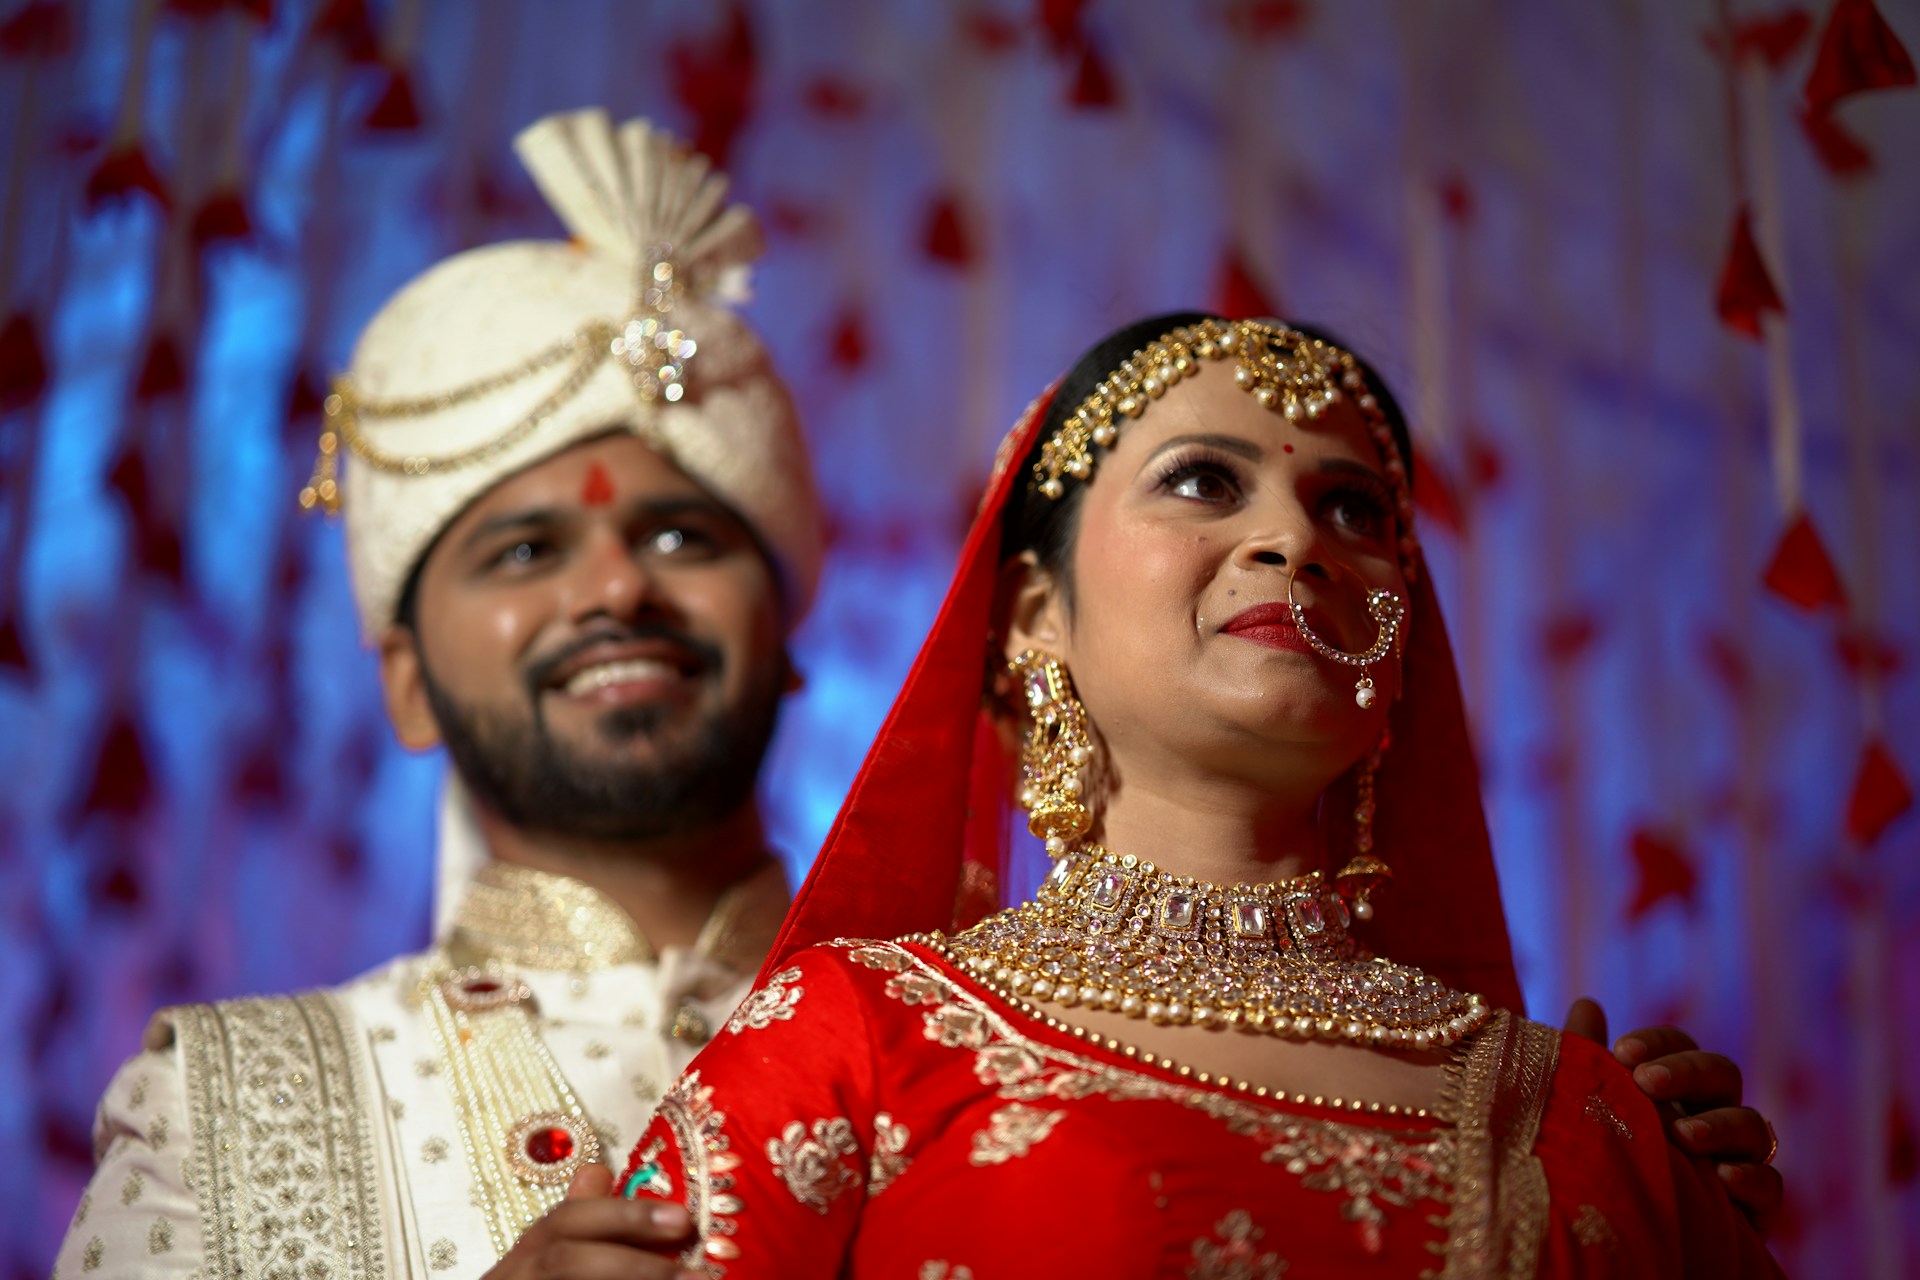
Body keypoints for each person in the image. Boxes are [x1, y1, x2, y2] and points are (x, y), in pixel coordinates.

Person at [613, 313, 1786, 1277]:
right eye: (1202, 481)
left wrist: (1669, 1197)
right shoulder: (857, 1033)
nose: (1292, 537)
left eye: (1356, 510)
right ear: (1034, 611)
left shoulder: (1582, 1113)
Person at [51, 110, 820, 1278]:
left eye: (680, 533)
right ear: (406, 685)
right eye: (524, 551)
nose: (616, 585)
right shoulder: (213, 1111)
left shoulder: (981, 1047)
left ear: (788, 631)